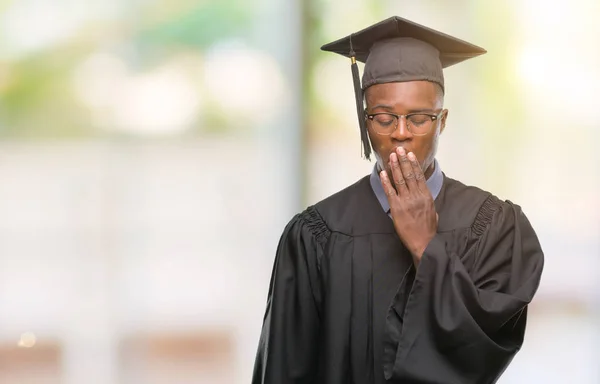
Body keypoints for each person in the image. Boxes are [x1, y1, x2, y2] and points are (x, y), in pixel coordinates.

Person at [252, 16, 544, 384]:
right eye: (385, 118)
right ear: (365, 120)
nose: (401, 134)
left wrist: (426, 246)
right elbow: (284, 369)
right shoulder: (316, 235)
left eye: (420, 118)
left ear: (443, 121)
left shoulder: (492, 226)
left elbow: (485, 350)